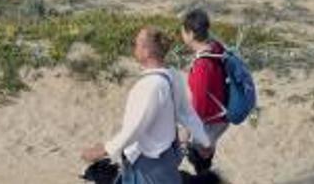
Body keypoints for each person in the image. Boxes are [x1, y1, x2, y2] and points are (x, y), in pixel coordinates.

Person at [81, 26, 213, 184]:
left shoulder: (149, 85)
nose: (134, 47)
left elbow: (134, 129)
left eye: (136, 44)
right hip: (167, 159)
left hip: (147, 165)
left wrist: (103, 150)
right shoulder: (173, 77)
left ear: (147, 51)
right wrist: (205, 141)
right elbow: (187, 115)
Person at [181, 9, 229, 175]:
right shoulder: (216, 48)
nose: (182, 34)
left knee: (198, 156)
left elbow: (198, 106)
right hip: (220, 117)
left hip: (210, 121)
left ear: (191, 34)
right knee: (204, 156)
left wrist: (186, 132)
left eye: (183, 31)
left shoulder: (202, 65)